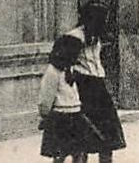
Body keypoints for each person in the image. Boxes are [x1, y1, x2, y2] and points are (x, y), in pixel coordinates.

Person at [65, 3, 126, 162]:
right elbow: (65, 66)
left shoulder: (95, 37)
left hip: (99, 88)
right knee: (82, 138)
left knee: (108, 137)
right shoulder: (74, 37)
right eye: (101, 21)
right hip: (83, 88)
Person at [39, 34, 101, 163]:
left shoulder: (70, 68)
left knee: (80, 152)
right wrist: (45, 115)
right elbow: (46, 98)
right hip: (61, 117)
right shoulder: (52, 72)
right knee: (60, 153)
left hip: (76, 116)